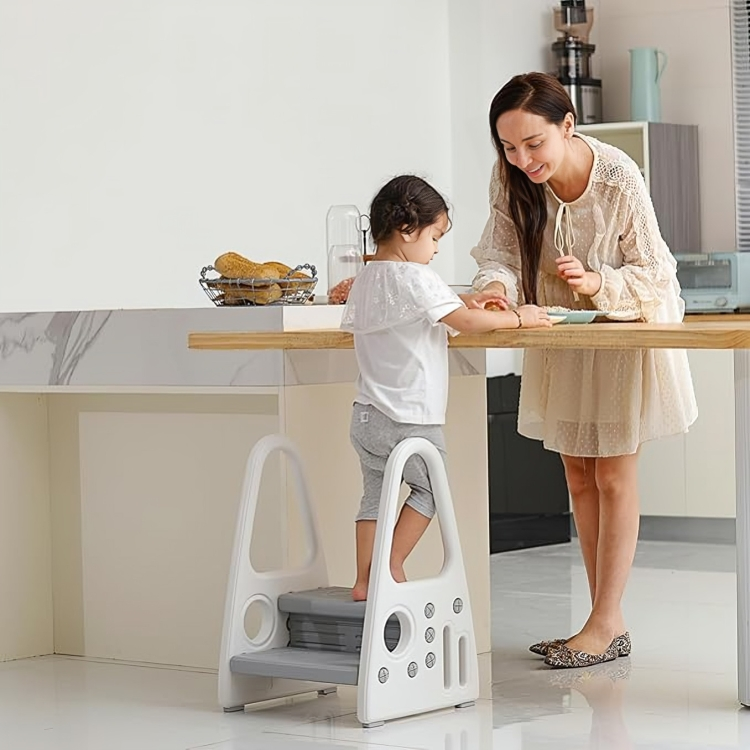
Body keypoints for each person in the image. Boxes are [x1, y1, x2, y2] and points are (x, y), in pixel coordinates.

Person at [470, 72, 698, 668]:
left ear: (567, 127)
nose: (522, 160)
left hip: (620, 336)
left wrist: (599, 282)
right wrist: (494, 291)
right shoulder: (513, 180)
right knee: (577, 475)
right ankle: (605, 622)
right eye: (509, 147)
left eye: (533, 144)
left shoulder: (618, 175)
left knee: (615, 476)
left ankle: (604, 622)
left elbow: (657, 273)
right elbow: (497, 251)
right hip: (561, 337)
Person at [341, 174, 552, 601]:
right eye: (435, 236)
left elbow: (423, 315)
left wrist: (463, 304)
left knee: (375, 498)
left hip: (366, 417)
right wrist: (519, 318)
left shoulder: (363, 280)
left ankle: (364, 582)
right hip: (410, 419)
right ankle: (391, 567)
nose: (435, 249)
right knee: (430, 490)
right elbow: (467, 324)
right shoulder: (418, 278)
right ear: (407, 230)